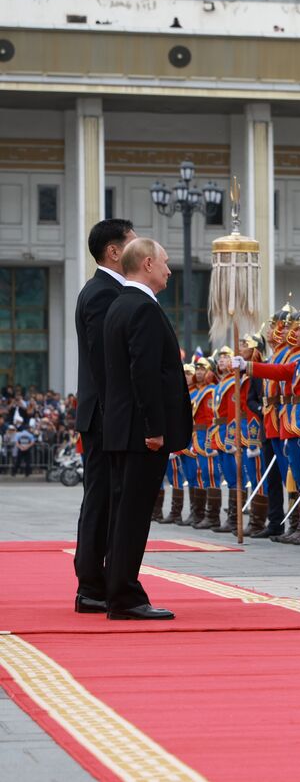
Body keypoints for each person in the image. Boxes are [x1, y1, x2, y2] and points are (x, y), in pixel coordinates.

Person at [102, 237, 192, 621]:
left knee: (125, 512)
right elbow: (145, 373)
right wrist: (156, 428)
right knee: (134, 514)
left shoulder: (120, 305)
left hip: (124, 428)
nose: (170, 270)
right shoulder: (142, 308)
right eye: (166, 263)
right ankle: (125, 596)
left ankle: (119, 590)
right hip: (142, 433)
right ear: (148, 264)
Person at [72, 217, 136, 615]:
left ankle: (97, 582)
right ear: (113, 252)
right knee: (101, 500)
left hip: (105, 415)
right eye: (131, 243)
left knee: (108, 499)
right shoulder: (102, 294)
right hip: (104, 417)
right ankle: (92, 585)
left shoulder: (110, 291)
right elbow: (104, 362)